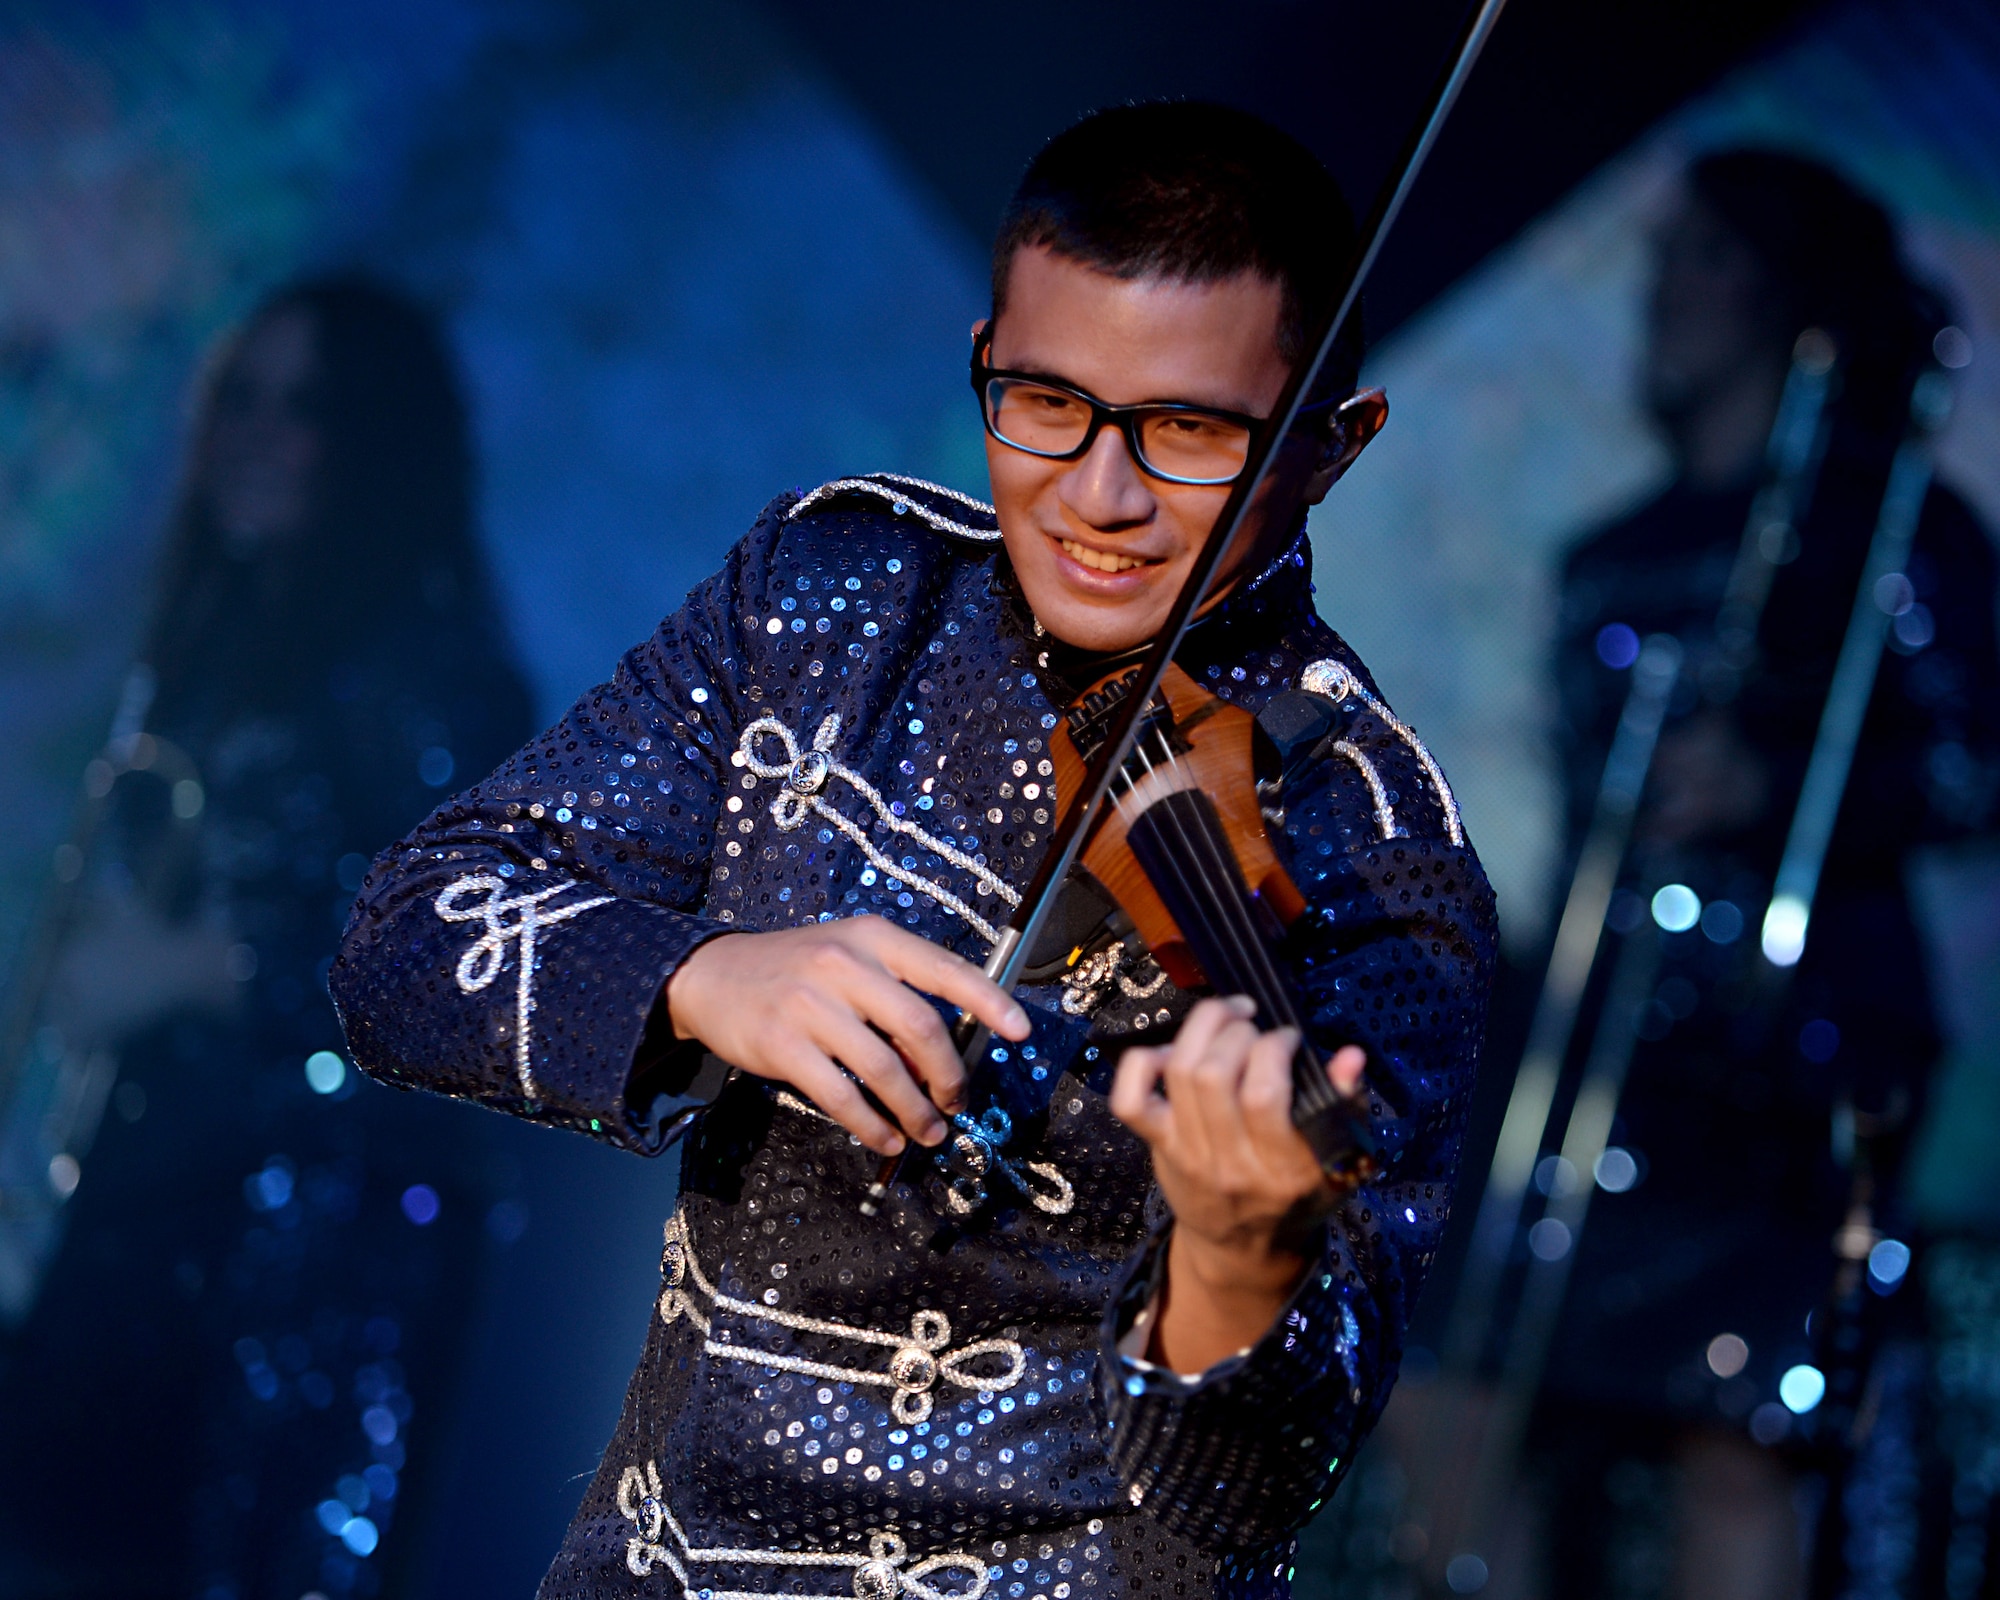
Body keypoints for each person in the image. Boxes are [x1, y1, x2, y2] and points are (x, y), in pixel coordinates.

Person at [331, 103, 1497, 1600]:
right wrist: (698, 975)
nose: (1099, 494)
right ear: (984, 353)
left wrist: (1238, 1267)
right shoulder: (833, 588)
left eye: (1192, 432)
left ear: (1334, 446)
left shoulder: (1372, 842)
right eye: (1044, 401)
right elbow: (401, 946)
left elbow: (1255, 1494)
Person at [0, 279, 534, 1600]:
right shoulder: (229, 639)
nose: (251, 433)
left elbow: (463, 968)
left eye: (301, 409)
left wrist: (183, 969)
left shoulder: (426, 665)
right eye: (237, 395)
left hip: (311, 1268)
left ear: (372, 447)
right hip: (157, 1232)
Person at [1536, 150, 2000, 1599]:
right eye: (1663, 256)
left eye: (1710, 258)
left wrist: (1792, 785)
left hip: (1810, 1039)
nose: (1668, 290)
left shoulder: (1900, 530)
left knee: (1746, 1427)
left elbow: (1981, 769)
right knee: (1500, 1390)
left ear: (1790, 295)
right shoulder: (1609, 556)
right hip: (1624, 1035)